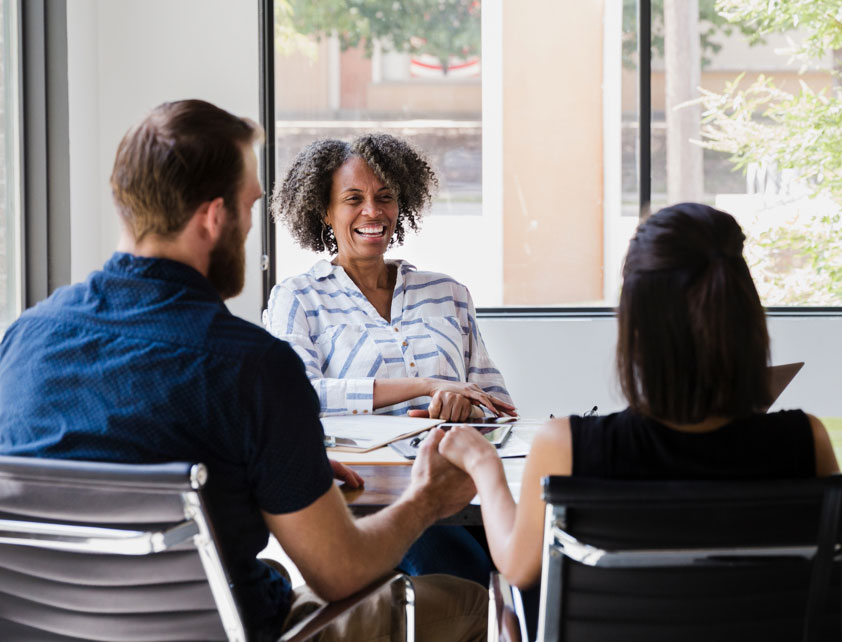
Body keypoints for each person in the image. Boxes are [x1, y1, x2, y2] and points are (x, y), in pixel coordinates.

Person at [0, 100, 488, 641]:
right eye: (250, 206)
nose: (251, 225)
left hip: (49, 627)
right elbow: (338, 572)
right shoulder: (252, 368)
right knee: (470, 599)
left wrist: (275, 457)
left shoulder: (25, 338)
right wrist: (425, 501)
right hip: (228, 630)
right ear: (214, 217)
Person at [436, 202, 839, 594]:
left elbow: (518, 568)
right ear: (747, 317)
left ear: (632, 321)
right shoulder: (808, 440)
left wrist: (482, 462)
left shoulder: (566, 446)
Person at [263, 134, 516, 422]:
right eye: (353, 199)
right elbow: (293, 394)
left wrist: (469, 409)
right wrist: (426, 386)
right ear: (325, 212)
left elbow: (499, 406)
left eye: (385, 197)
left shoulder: (449, 293)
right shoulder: (297, 298)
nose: (373, 211)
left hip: (448, 464)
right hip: (355, 467)